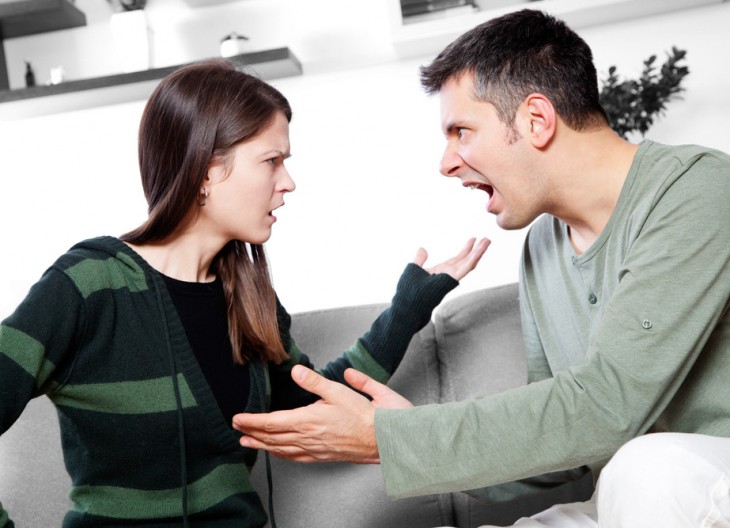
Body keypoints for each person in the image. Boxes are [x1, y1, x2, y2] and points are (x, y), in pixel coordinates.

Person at [232, 9, 730, 527]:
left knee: (647, 469)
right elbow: (566, 442)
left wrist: (401, 438)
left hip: (699, 478)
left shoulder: (698, 190)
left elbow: (605, 407)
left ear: (536, 120)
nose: (445, 162)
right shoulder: (543, 245)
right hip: (627, 503)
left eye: (461, 131)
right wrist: (409, 438)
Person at [0, 59, 489, 528]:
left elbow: (312, 403)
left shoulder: (247, 296)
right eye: (272, 161)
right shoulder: (88, 287)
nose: (289, 183)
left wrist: (406, 311)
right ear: (208, 170)